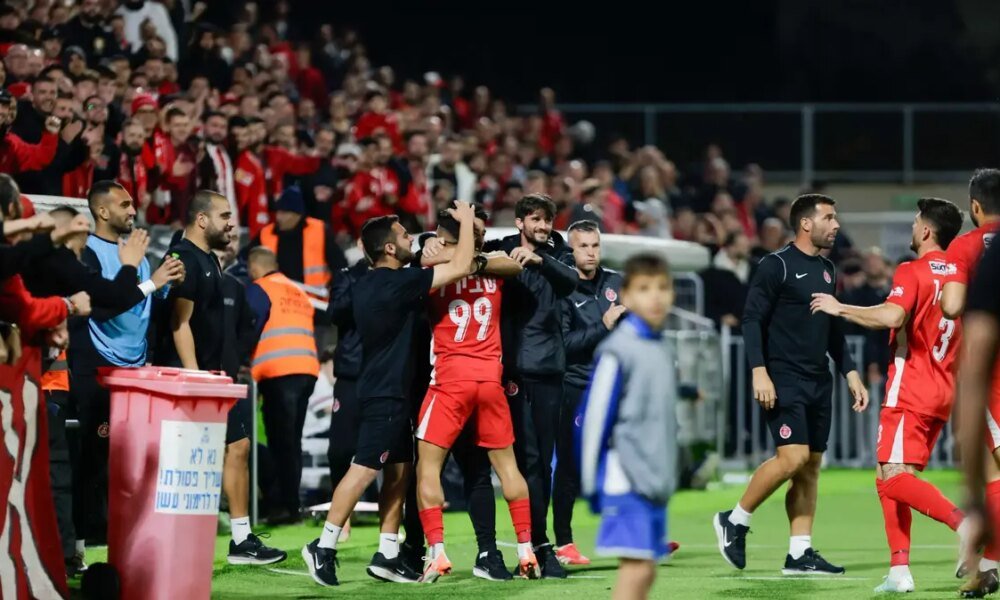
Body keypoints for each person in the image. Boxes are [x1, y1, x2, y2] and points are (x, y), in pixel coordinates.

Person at [302, 203, 480, 587]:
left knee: (400, 472)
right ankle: (323, 546)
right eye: (403, 236)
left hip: (388, 390)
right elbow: (464, 264)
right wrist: (466, 222)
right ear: (388, 249)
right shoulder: (396, 283)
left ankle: (387, 553)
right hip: (385, 393)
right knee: (365, 468)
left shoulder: (372, 282)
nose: (410, 239)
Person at [810, 198, 967, 593]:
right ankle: (899, 571)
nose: (912, 228)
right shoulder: (960, 275)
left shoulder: (912, 270)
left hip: (911, 385)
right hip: (943, 387)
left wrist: (840, 307)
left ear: (927, 231)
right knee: (890, 473)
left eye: (915, 222)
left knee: (892, 479)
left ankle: (966, 525)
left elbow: (893, 315)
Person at [713, 194, 869, 575]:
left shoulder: (828, 269)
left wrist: (850, 372)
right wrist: (759, 371)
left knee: (810, 466)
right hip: (783, 378)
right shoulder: (775, 265)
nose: (836, 225)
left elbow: (832, 329)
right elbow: (751, 320)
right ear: (805, 223)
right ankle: (735, 519)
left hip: (819, 380)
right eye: (829, 218)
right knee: (793, 458)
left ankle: (799, 553)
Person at [158, 190, 285, 565]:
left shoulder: (209, 260)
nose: (232, 223)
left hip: (216, 377)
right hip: (191, 377)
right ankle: (172, 544)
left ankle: (242, 539)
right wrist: (195, 376)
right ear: (201, 219)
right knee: (186, 461)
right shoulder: (183, 257)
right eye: (225, 216)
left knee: (239, 446)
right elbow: (179, 322)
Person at [413, 203, 538, 582]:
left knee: (427, 468)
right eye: (477, 231)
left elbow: (438, 259)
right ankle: (526, 550)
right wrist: (471, 252)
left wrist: (454, 246)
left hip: (450, 382)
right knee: (509, 469)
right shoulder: (491, 266)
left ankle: (436, 552)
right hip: (489, 381)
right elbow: (512, 265)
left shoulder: (438, 266)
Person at [69, 180, 183, 548]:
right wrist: (152, 283)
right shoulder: (86, 253)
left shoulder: (137, 254)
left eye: (133, 203)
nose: (133, 210)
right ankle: (80, 547)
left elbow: (143, 309)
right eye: (124, 204)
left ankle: (130, 542)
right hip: (97, 368)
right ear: (102, 211)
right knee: (93, 461)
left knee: (133, 461)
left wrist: (166, 285)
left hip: (135, 370)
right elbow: (101, 308)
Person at [482, 193, 578, 578]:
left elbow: (571, 282)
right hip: (511, 373)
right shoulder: (501, 248)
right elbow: (466, 252)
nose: (543, 226)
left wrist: (540, 260)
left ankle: (539, 544)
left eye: (547, 220)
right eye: (535, 219)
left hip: (548, 370)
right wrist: (431, 244)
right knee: (525, 462)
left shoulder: (559, 253)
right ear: (520, 222)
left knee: (541, 463)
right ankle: (526, 546)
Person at [577, 253, 677, 600]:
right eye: (644, 289)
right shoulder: (617, 350)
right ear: (627, 297)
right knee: (635, 570)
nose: (655, 297)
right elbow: (595, 420)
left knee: (646, 570)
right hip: (626, 479)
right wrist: (590, 484)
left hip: (652, 480)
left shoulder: (661, 347)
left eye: (662, 287)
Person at [939, 168, 1000, 597]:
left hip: (994, 374)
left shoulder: (966, 246)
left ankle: (988, 563)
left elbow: (953, 304)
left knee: (993, 471)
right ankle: (991, 565)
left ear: (975, 206)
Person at [553, 219, 624, 566]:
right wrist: (604, 325)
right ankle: (563, 541)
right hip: (577, 387)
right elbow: (564, 344)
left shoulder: (615, 282)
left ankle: (637, 532)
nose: (591, 253)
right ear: (571, 249)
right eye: (583, 246)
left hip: (615, 385)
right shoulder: (563, 290)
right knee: (570, 464)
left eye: (595, 245)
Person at [245, 246, 320, 524]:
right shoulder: (297, 290)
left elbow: (250, 327)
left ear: (254, 268)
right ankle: (291, 505)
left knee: (280, 443)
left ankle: (283, 507)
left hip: (278, 371)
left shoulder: (259, 289)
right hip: (306, 369)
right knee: (291, 442)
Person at [957, 236, 1000, 599]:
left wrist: (973, 500)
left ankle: (988, 566)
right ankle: (989, 566)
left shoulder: (988, 251)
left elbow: (977, 356)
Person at [249, 186, 346, 307]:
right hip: (276, 303)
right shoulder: (266, 234)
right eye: (278, 212)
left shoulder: (319, 231)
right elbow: (246, 259)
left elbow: (340, 265)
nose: (278, 217)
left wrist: (334, 289)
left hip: (313, 303)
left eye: (283, 213)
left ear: (297, 215)